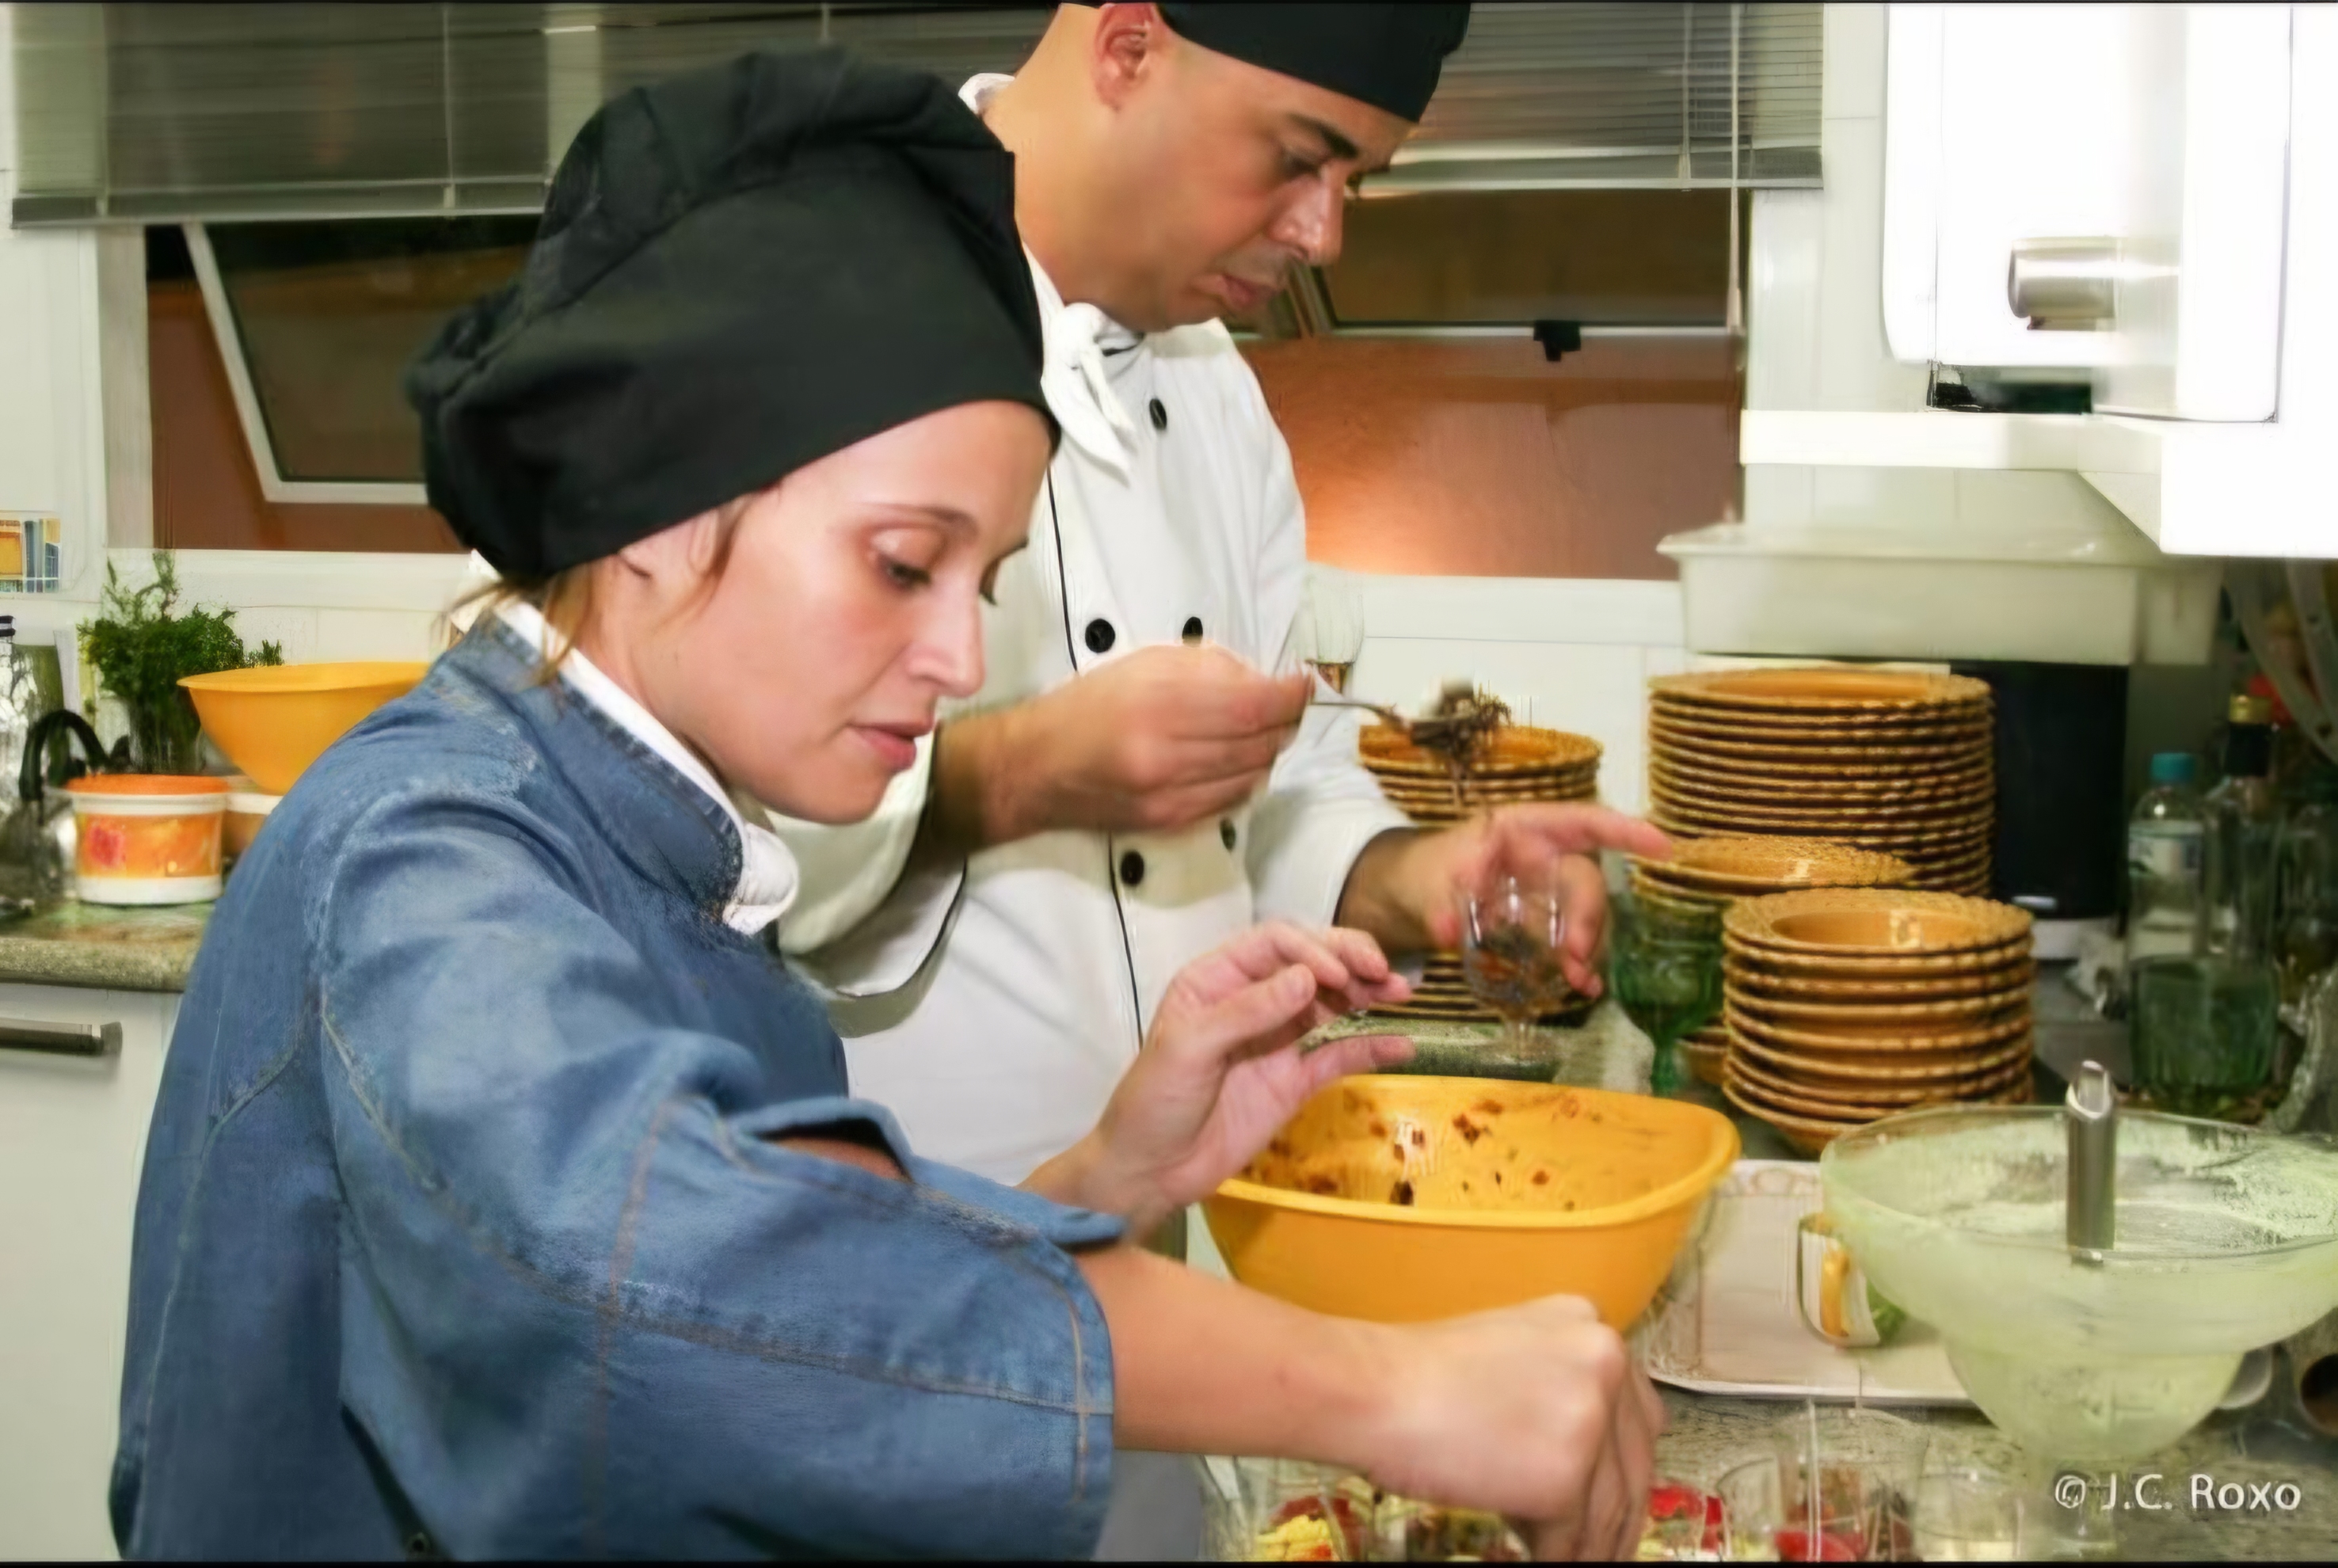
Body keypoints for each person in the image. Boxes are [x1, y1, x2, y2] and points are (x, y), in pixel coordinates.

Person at [109, 49, 1659, 1561]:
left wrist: (1102, 1179)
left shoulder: (680, 852)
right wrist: (1393, 1392)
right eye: (905, 564)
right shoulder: (426, 849)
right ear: (654, 500)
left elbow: (796, 1318)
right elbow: (675, 1283)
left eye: (982, 582)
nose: (965, 660)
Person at [773, 2, 1671, 1189]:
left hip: (1161, 1214)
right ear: (1129, 47)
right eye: (1298, 158)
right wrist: (1023, 771)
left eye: (1354, 181)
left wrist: (1421, 881)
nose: (1324, 235)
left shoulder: (1212, 385)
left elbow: (1276, 787)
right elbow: (696, 842)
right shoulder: (809, 297)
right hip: (875, 1236)